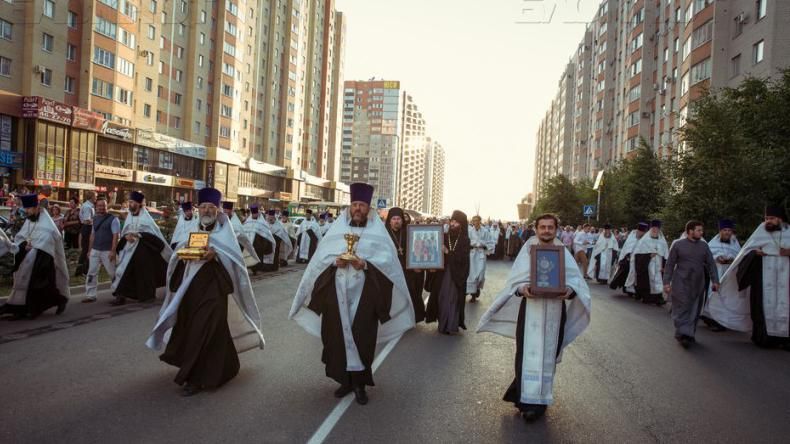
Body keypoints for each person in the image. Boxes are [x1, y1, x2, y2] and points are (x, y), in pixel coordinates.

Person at [289, 183, 414, 405]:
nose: (357, 208)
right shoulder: (336, 231)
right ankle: (344, 381)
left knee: (363, 339)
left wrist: (365, 265)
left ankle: (359, 384)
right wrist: (334, 262)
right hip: (336, 296)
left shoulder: (378, 234)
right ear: (350, 206)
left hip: (366, 298)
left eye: (362, 205)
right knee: (336, 338)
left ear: (368, 209)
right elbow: (320, 261)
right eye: (354, 204)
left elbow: (388, 267)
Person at [147, 187, 265, 396]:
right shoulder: (192, 230)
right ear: (198, 209)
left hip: (215, 289)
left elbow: (235, 263)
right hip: (191, 290)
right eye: (203, 207)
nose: (207, 210)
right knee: (200, 329)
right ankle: (227, 365)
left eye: (211, 207)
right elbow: (178, 256)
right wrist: (184, 255)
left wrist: (215, 255)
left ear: (217, 210)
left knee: (205, 327)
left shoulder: (226, 234)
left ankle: (193, 378)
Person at [477, 213, 591, 422]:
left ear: (556, 229)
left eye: (550, 227)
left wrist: (569, 291)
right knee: (526, 353)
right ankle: (526, 402)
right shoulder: (527, 250)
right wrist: (523, 289)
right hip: (530, 310)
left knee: (549, 354)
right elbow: (514, 282)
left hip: (556, 311)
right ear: (536, 229)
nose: (546, 231)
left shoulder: (563, 253)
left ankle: (540, 399)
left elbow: (576, 283)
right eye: (543, 227)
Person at [708, 206, 790, 350]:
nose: (767, 221)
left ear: (780, 219)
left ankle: (785, 339)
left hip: (786, 276)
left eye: (771, 218)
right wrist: (755, 253)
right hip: (763, 276)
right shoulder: (761, 231)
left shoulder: (789, 231)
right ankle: (765, 338)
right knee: (761, 305)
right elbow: (746, 252)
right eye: (766, 218)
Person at [0, 194, 69, 319]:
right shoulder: (30, 220)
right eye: (25, 208)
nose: (26, 211)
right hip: (29, 257)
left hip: (44, 258)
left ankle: (37, 307)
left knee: (37, 284)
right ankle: (21, 308)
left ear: (37, 207)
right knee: (31, 284)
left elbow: (50, 239)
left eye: (28, 208)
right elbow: (21, 236)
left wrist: (35, 247)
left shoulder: (47, 224)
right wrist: (24, 245)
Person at [663, 220, 720, 348]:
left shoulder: (704, 246)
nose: (701, 232)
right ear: (690, 231)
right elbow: (670, 264)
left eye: (701, 230)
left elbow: (711, 264)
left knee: (694, 309)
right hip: (680, 281)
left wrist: (715, 281)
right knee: (682, 307)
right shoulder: (678, 244)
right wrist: (666, 282)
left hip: (698, 282)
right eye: (699, 230)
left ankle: (688, 333)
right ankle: (684, 334)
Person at [110, 191, 172, 306]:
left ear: (138, 204)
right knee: (123, 271)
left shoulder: (146, 219)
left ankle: (146, 296)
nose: (130, 204)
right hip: (128, 250)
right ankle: (120, 296)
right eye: (129, 202)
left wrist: (139, 235)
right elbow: (124, 233)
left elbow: (154, 235)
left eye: (132, 202)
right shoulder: (129, 217)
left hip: (143, 251)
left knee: (144, 274)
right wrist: (126, 236)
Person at [426, 210, 471, 334]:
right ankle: (442, 324)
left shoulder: (465, 240)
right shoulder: (444, 236)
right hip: (442, 274)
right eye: (452, 221)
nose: (452, 224)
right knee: (441, 298)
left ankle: (451, 325)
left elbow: (462, 259)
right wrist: (431, 265)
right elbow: (434, 251)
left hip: (456, 275)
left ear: (462, 224)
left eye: (456, 222)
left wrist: (448, 252)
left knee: (453, 299)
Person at [386, 207, 426, 322]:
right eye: (394, 219)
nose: (396, 221)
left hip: (409, 270)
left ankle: (411, 318)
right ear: (389, 220)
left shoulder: (410, 232)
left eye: (398, 219)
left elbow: (418, 249)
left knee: (411, 293)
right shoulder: (385, 234)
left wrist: (418, 264)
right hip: (392, 269)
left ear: (402, 220)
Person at [701, 219, 740, 331]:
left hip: (729, 276)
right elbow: (706, 257)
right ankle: (712, 319)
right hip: (716, 274)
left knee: (726, 297)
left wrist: (731, 259)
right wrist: (717, 258)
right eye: (725, 230)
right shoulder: (712, 244)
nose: (727, 232)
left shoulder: (735, 245)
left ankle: (723, 321)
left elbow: (739, 257)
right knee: (713, 295)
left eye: (729, 230)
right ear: (720, 231)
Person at [82, 198, 120, 303]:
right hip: (95, 250)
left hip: (107, 251)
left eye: (103, 205)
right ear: (96, 207)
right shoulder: (95, 219)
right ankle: (91, 295)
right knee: (91, 273)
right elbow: (92, 235)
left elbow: (116, 236)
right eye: (99, 206)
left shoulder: (113, 219)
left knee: (113, 273)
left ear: (107, 206)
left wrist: (113, 251)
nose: (101, 208)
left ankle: (119, 293)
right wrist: (89, 250)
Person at [625, 220, 668, 305]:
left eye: (657, 228)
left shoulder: (662, 241)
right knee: (647, 281)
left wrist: (664, 266)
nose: (655, 230)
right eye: (653, 228)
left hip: (658, 266)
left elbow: (665, 255)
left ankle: (658, 298)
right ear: (651, 228)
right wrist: (648, 256)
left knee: (658, 281)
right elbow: (638, 255)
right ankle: (647, 297)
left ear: (659, 229)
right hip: (647, 266)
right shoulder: (644, 241)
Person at [609, 222, 648, 295]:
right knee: (625, 273)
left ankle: (635, 289)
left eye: (642, 232)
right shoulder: (632, 237)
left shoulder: (646, 239)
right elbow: (627, 248)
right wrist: (628, 256)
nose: (640, 233)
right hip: (628, 259)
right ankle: (625, 287)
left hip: (639, 261)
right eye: (639, 231)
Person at [222, 201, 260, 267]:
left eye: (226, 210)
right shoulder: (221, 218)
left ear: (231, 210)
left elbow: (240, 233)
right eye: (224, 210)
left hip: (235, 244)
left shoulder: (235, 222)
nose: (225, 211)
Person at [467, 215, 494, 302]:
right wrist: (472, 245)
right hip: (472, 255)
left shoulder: (485, 231)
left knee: (480, 274)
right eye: (473, 220)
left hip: (481, 255)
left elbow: (490, 243)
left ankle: (477, 288)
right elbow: (467, 242)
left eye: (476, 220)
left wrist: (484, 245)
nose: (475, 222)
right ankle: (473, 294)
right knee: (472, 274)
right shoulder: (470, 231)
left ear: (480, 221)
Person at [243, 204, 275, 273]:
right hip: (250, 243)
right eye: (253, 214)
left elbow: (266, 233)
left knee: (258, 256)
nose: (254, 215)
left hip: (259, 243)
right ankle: (252, 267)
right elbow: (244, 230)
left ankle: (257, 268)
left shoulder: (262, 222)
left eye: (255, 214)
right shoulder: (248, 221)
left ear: (257, 213)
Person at [77, 191, 97, 276]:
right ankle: (82, 270)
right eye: (95, 196)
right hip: (87, 228)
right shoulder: (87, 206)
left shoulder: (89, 205)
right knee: (86, 250)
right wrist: (96, 220)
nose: (96, 198)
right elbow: (86, 220)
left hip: (88, 228)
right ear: (91, 197)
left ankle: (84, 270)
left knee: (87, 249)